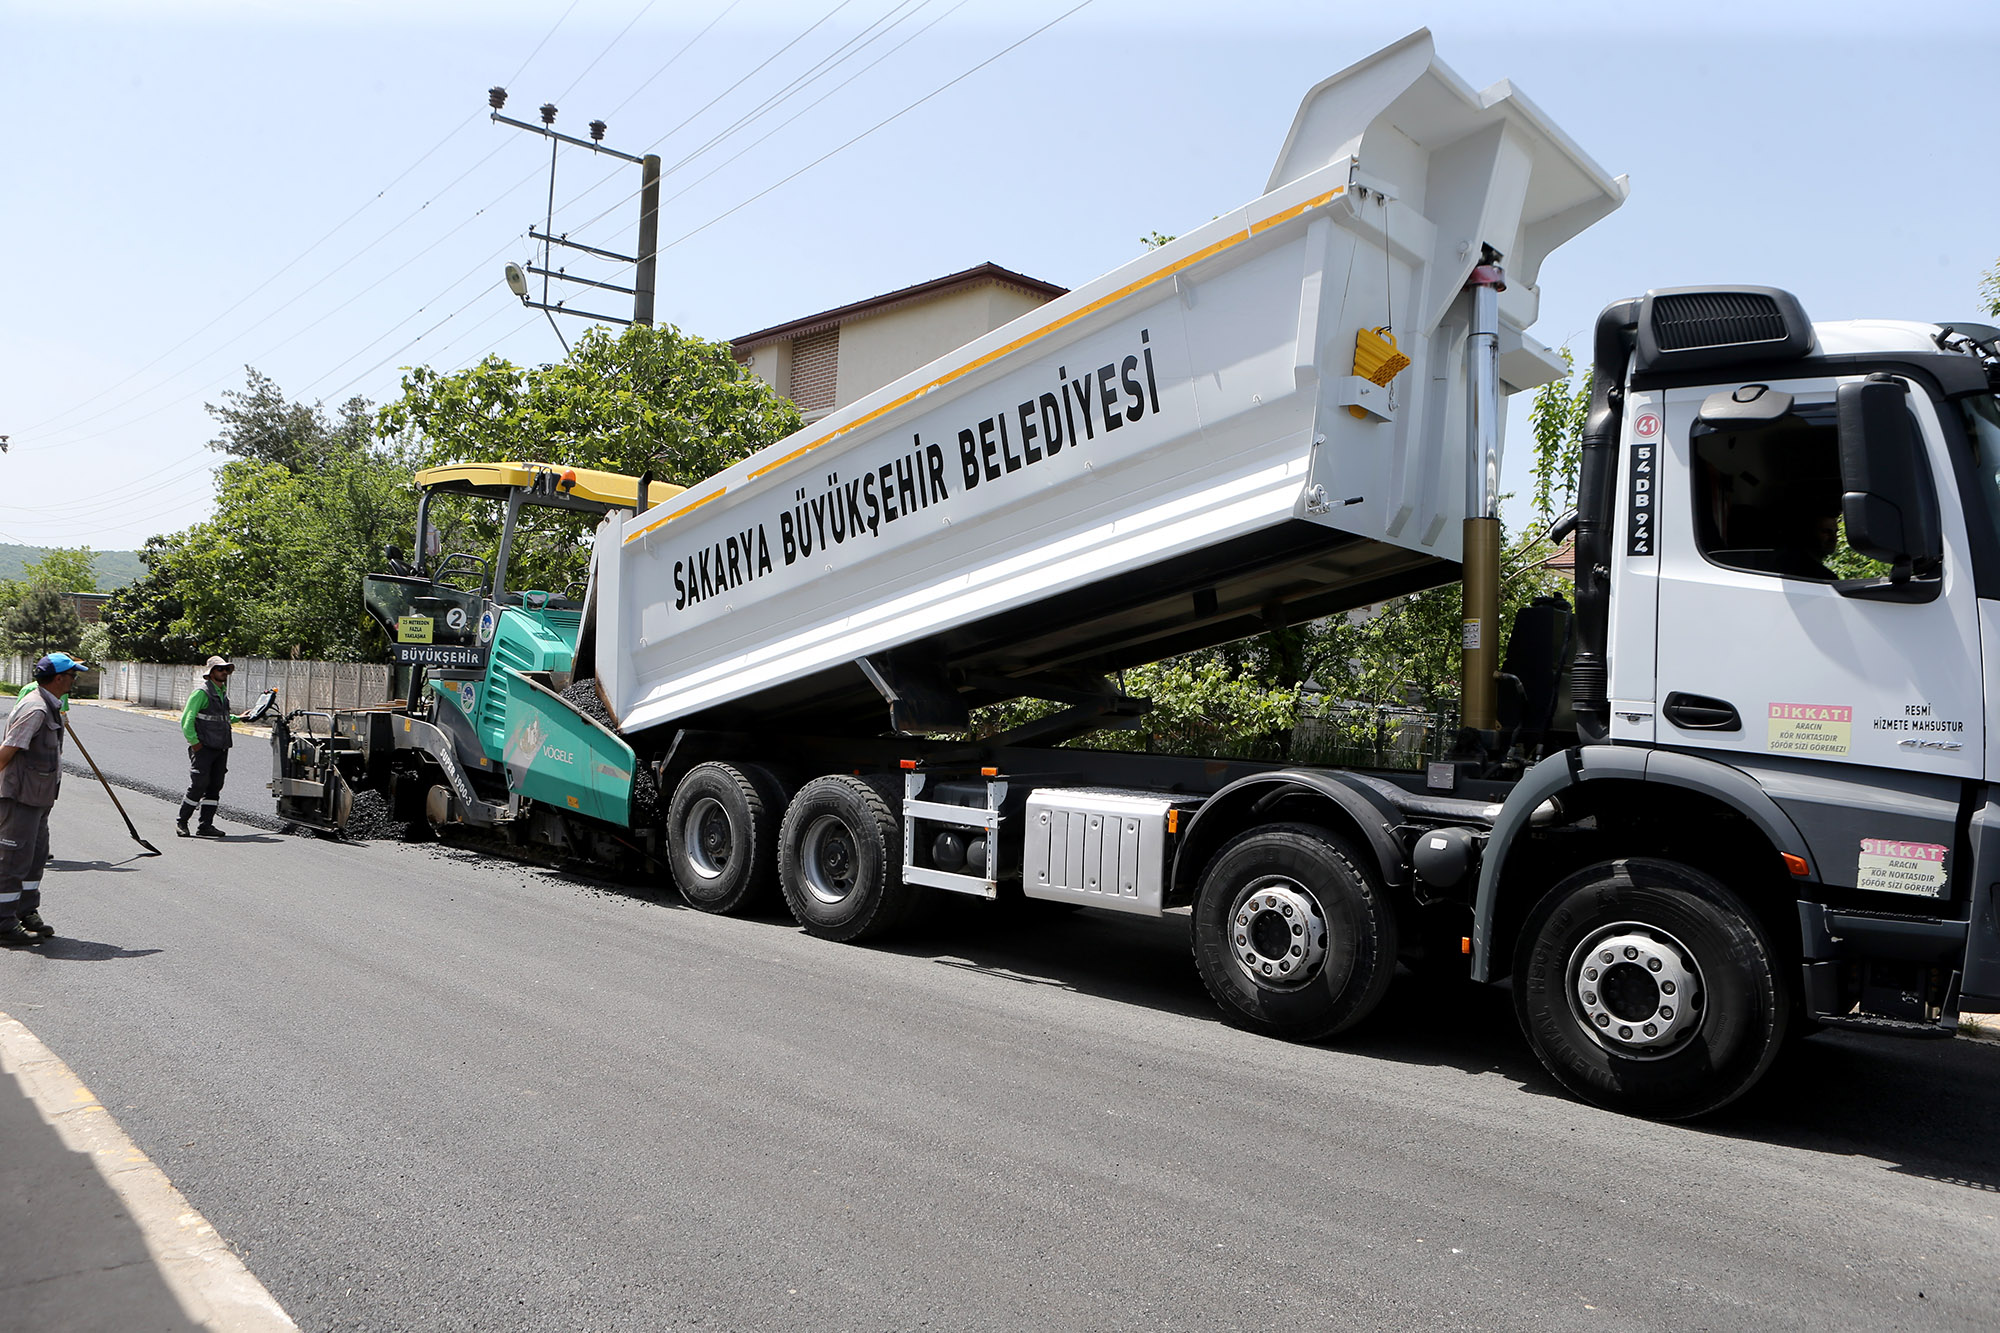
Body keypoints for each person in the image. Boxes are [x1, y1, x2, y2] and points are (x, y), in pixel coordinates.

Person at [0, 653, 86, 946]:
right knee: (13, 858)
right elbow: (8, 750)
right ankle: (3, 922)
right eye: (73, 675)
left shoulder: (52, 707)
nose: (75, 680)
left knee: (35, 857)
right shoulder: (35, 709)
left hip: (39, 797)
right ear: (59, 678)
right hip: (21, 796)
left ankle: (26, 911)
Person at [178, 655, 244, 839]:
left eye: (226, 669)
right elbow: (187, 720)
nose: (224, 672)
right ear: (211, 672)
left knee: (215, 786)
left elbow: (220, 718)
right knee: (199, 785)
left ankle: (205, 825)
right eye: (220, 669)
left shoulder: (222, 693)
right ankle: (182, 822)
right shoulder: (202, 693)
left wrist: (240, 718)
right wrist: (195, 744)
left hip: (221, 747)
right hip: (204, 748)